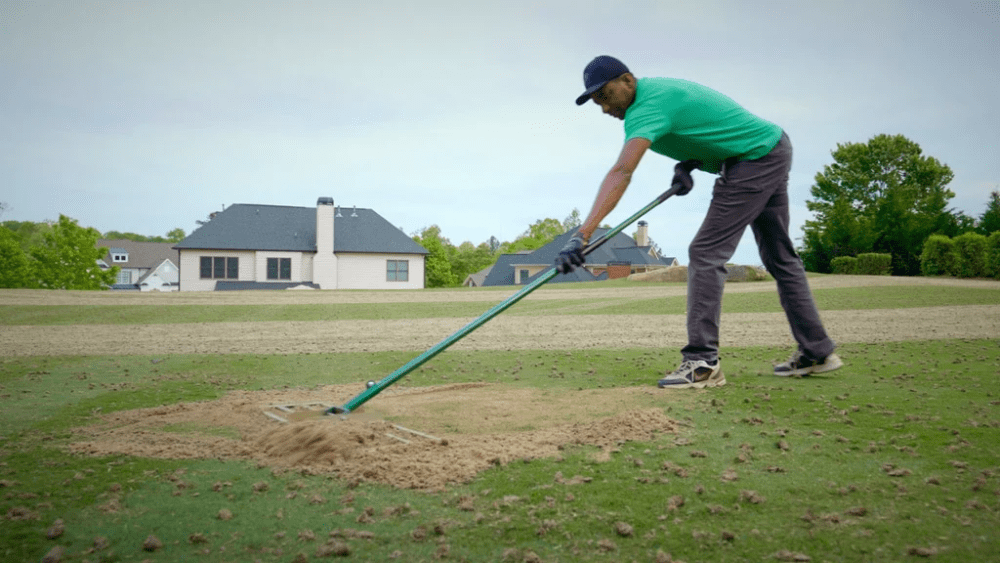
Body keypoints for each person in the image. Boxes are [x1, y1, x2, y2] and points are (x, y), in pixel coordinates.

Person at [555, 55, 842, 389]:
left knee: (705, 252)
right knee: (780, 259)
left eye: (605, 96)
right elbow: (708, 127)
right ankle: (818, 352)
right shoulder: (657, 94)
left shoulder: (646, 106)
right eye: (596, 102)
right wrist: (689, 165)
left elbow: (622, 171)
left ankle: (702, 362)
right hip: (768, 147)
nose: (604, 108)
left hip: (752, 160)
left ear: (628, 81)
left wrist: (582, 235)